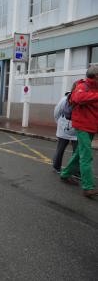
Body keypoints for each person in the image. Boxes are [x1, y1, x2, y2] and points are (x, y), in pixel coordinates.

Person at [60, 65, 98, 198]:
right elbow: (78, 98)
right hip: (82, 126)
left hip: (92, 126)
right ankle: (88, 187)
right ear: (96, 76)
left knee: (79, 153)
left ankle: (65, 174)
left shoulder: (95, 88)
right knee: (86, 155)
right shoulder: (82, 86)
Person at [52, 84, 78, 173]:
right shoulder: (82, 100)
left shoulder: (64, 99)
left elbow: (56, 112)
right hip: (76, 128)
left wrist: (59, 122)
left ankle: (56, 167)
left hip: (64, 127)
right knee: (76, 152)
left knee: (60, 149)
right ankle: (75, 171)